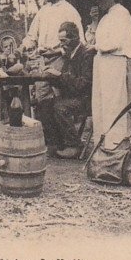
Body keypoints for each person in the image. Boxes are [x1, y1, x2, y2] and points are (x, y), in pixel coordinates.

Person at [87, 0, 131, 150]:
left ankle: (115, 145)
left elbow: (115, 43)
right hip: (103, 64)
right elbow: (93, 39)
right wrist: (94, 23)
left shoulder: (121, 13)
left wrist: (96, 47)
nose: (99, 1)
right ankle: (102, 144)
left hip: (115, 63)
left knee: (114, 104)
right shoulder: (106, 17)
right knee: (101, 104)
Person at [36, 22, 94, 158]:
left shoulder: (86, 55)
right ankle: (56, 144)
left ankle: (74, 145)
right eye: (60, 41)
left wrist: (60, 75)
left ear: (74, 38)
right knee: (45, 104)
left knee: (60, 107)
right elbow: (65, 82)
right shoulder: (70, 54)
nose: (61, 44)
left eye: (64, 41)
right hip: (73, 97)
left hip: (86, 99)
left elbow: (84, 84)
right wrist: (51, 76)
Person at [20, 0, 84, 53]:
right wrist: (21, 48)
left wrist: (59, 51)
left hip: (61, 59)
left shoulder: (70, 11)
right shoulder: (43, 11)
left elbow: (79, 42)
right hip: (41, 58)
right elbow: (32, 37)